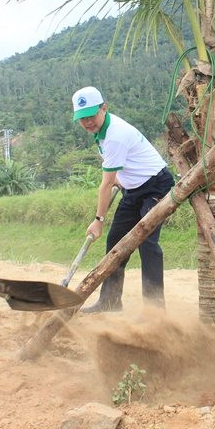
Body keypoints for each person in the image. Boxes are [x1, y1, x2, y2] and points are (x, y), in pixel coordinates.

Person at [71, 86, 174, 313]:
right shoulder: (101, 132)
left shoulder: (115, 135)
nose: (87, 122)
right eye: (82, 119)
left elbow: (106, 184)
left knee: (147, 243)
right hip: (133, 189)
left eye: (91, 116)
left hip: (156, 185)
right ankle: (110, 302)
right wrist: (121, 179)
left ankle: (154, 310)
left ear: (103, 108)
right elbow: (117, 171)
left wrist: (98, 220)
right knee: (116, 242)